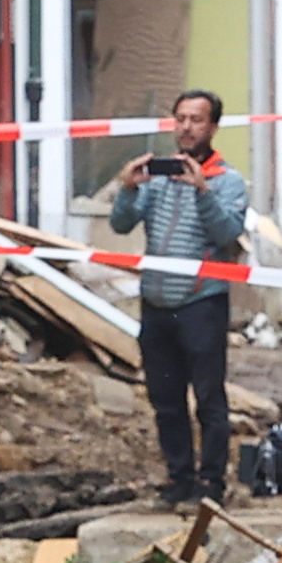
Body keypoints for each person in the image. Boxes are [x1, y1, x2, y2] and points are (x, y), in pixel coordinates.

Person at [107, 88, 247, 504]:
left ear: (213, 127)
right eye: (181, 119)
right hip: (156, 303)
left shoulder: (228, 180)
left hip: (201, 303)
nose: (187, 128)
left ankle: (212, 483)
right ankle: (179, 478)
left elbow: (227, 234)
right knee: (165, 400)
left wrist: (203, 192)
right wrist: (128, 189)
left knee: (208, 399)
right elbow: (119, 225)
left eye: (196, 120)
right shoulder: (157, 175)